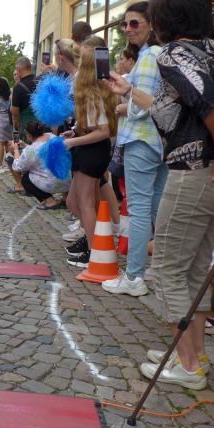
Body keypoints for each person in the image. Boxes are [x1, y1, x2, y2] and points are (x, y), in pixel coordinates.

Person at [108, 0, 214, 390]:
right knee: (195, 267)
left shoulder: (172, 53)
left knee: (167, 266)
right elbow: (182, 109)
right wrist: (131, 91)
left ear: (163, 17)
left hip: (199, 171)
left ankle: (187, 365)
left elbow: (211, 104)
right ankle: (194, 355)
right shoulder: (212, 51)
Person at [101, 2, 166, 297]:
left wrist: (125, 98)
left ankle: (134, 276)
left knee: (140, 210)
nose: (128, 29)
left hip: (142, 139)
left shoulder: (150, 55)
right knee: (156, 210)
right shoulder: (158, 54)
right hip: (159, 142)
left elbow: (145, 107)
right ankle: (156, 270)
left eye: (135, 23)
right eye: (125, 24)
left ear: (152, 24)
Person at [64, 45, 118, 267]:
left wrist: (73, 141)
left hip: (91, 152)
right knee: (76, 201)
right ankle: (95, 241)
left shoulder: (92, 93)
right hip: (89, 149)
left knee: (85, 204)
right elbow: (95, 126)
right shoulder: (94, 91)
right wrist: (75, 132)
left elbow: (103, 131)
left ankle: (96, 251)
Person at [10, 121, 70, 209]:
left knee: (26, 180)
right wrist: (25, 145)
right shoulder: (52, 136)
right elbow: (40, 152)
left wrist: (16, 149)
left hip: (53, 184)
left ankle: (50, 201)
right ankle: (66, 198)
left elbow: (17, 166)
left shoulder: (31, 149)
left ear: (29, 135)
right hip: (68, 181)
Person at [12, 56, 38, 142]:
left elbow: (15, 113)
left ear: (18, 69)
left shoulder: (18, 88)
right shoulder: (40, 81)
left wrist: (16, 128)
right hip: (42, 127)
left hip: (27, 130)